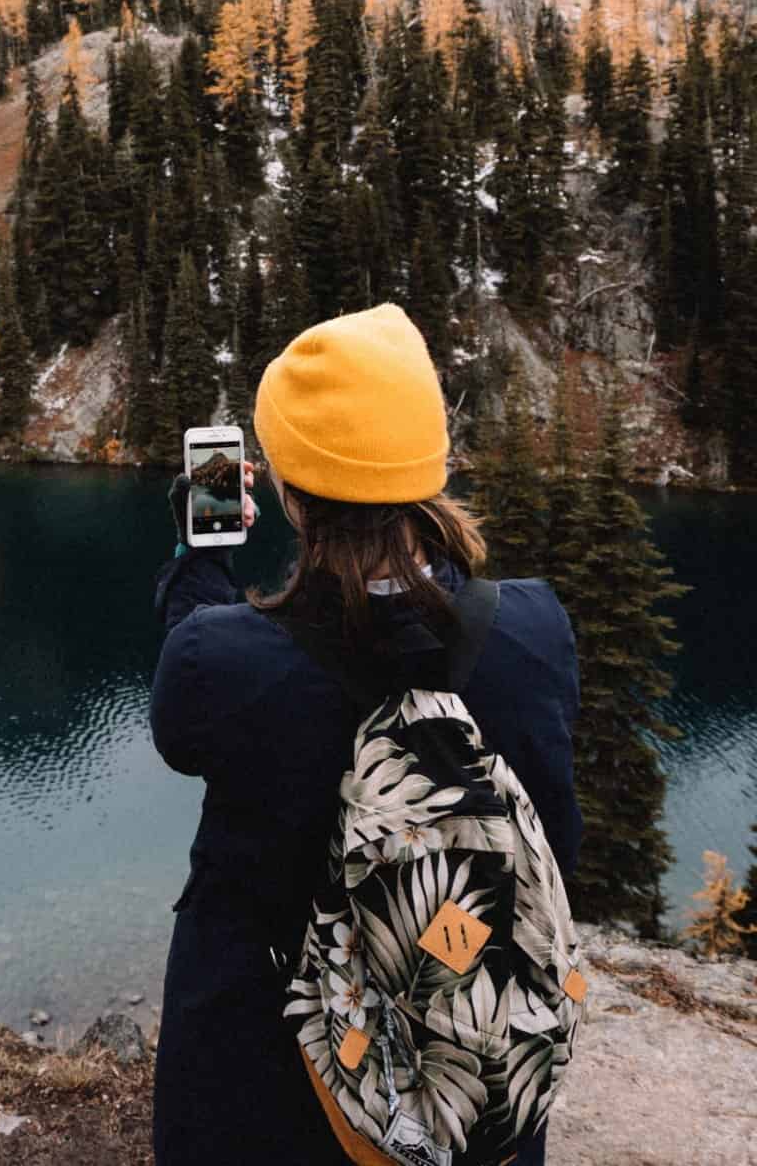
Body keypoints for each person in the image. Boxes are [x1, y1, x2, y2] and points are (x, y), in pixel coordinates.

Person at [148, 303, 581, 1166]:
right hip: (462, 1071)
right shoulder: (534, 633)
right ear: (428, 467)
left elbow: (189, 708)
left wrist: (203, 558)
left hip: (260, 1077)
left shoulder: (219, 659)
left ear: (288, 489)